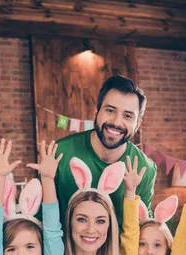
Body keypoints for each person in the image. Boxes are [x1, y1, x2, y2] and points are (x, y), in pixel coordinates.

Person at [54, 75, 157, 227]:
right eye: (110, 110)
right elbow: (42, 219)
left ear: (137, 124)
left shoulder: (145, 169)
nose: (116, 122)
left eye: (128, 116)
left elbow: (142, 227)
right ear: (96, 112)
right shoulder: (60, 153)